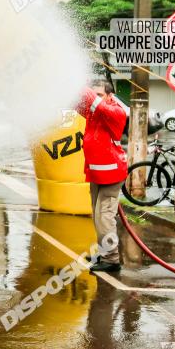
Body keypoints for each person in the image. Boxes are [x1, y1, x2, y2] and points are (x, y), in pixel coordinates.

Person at [75, 79, 128, 273]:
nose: (95, 99)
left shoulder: (116, 111)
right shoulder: (94, 111)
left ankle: (112, 259)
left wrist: (86, 91)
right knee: (98, 218)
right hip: (97, 172)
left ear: (110, 96)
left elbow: (97, 105)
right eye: (94, 94)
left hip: (110, 173)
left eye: (99, 95)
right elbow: (76, 105)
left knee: (105, 218)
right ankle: (104, 252)